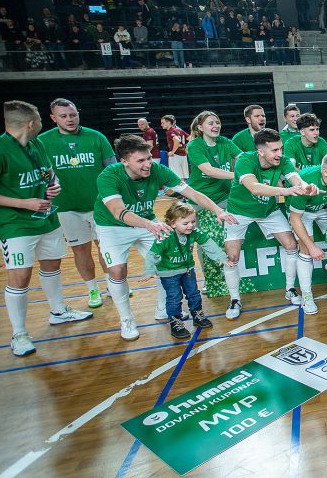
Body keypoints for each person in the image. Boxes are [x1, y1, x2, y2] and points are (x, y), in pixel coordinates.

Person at [94, 134, 236, 341]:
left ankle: (163, 309)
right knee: (117, 270)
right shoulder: (109, 176)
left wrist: (217, 210)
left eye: (149, 158)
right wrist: (149, 224)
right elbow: (118, 211)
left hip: (148, 221)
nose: (147, 164)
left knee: (167, 265)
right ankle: (126, 319)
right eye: (140, 160)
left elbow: (192, 193)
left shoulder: (159, 170)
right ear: (124, 161)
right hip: (113, 226)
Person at [0, 101, 94, 356]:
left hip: (45, 218)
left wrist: (53, 184)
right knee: (20, 276)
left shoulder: (36, 144)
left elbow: (48, 172)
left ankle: (58, 311)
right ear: (31, 123)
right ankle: (19, 334)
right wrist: (22, 202)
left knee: (52, 264)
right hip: (15, 224)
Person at [221, 129, 318, 319]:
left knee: (291, 245)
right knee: (232, 256)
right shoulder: (245, 161)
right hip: (239, 211)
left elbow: (295, 179)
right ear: (261, 151)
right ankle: (234, 299)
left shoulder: (283, 161)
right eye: (274, 150)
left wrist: (306, 187)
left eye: (280, 149)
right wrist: (286, 192)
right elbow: (255, 188)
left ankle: (290, 289)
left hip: (268, 211)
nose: (280, 154)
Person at [38, 98, 116, 309]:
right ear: (53, 118)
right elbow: (37, 173)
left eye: (73, 115)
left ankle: (112, 285)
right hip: (66, 208)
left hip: (100, 206)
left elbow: (113, 170)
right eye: (63, 116)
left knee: (106, 247)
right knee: (80, 250)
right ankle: (92, 288)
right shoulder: (42, 141)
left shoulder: (96, 137)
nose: (69, 119)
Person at [143, 202, 226, 339]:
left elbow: (207, 242)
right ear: (173, 224)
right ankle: (176, 323)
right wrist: (149, 271)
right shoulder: (165, 236)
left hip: (187, 270)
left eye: (193, 221)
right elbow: (153, 254)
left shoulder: (194, 232)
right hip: (169, 273)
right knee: (174, 298)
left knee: (194, 293)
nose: (191, 225)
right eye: (186, 223)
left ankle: (197, 315)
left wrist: (221, 257)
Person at [186, 110, 242, 297]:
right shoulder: (195, 145)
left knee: (227, 236)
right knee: (205, 241)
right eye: (210, 123)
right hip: (199, 199)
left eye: (217, 122)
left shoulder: (225, 142)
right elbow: (209, 171)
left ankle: (231, 276)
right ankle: (210, 280)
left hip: (224, 196)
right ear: (200, 127)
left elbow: (242, 158)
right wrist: (239, 176)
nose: (215, 126)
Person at [288, 153, 327, 310]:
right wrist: (313, 247)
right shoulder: (305, 183)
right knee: (306, 250)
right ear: (325, 172)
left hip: (323, 209)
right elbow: (295, 219)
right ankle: (307, 297)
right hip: (302, 212)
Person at [161, 115, 190, 180]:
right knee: (184, 178)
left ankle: (179, 190)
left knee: (177, 177)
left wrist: (172, 151)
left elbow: (177, 140)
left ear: (168, 122)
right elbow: (190, 138)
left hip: (175, 156)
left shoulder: (169, 131)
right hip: (184, 155)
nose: (161, 125)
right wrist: (186, 148)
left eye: (163, 123)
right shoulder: (179, 130)